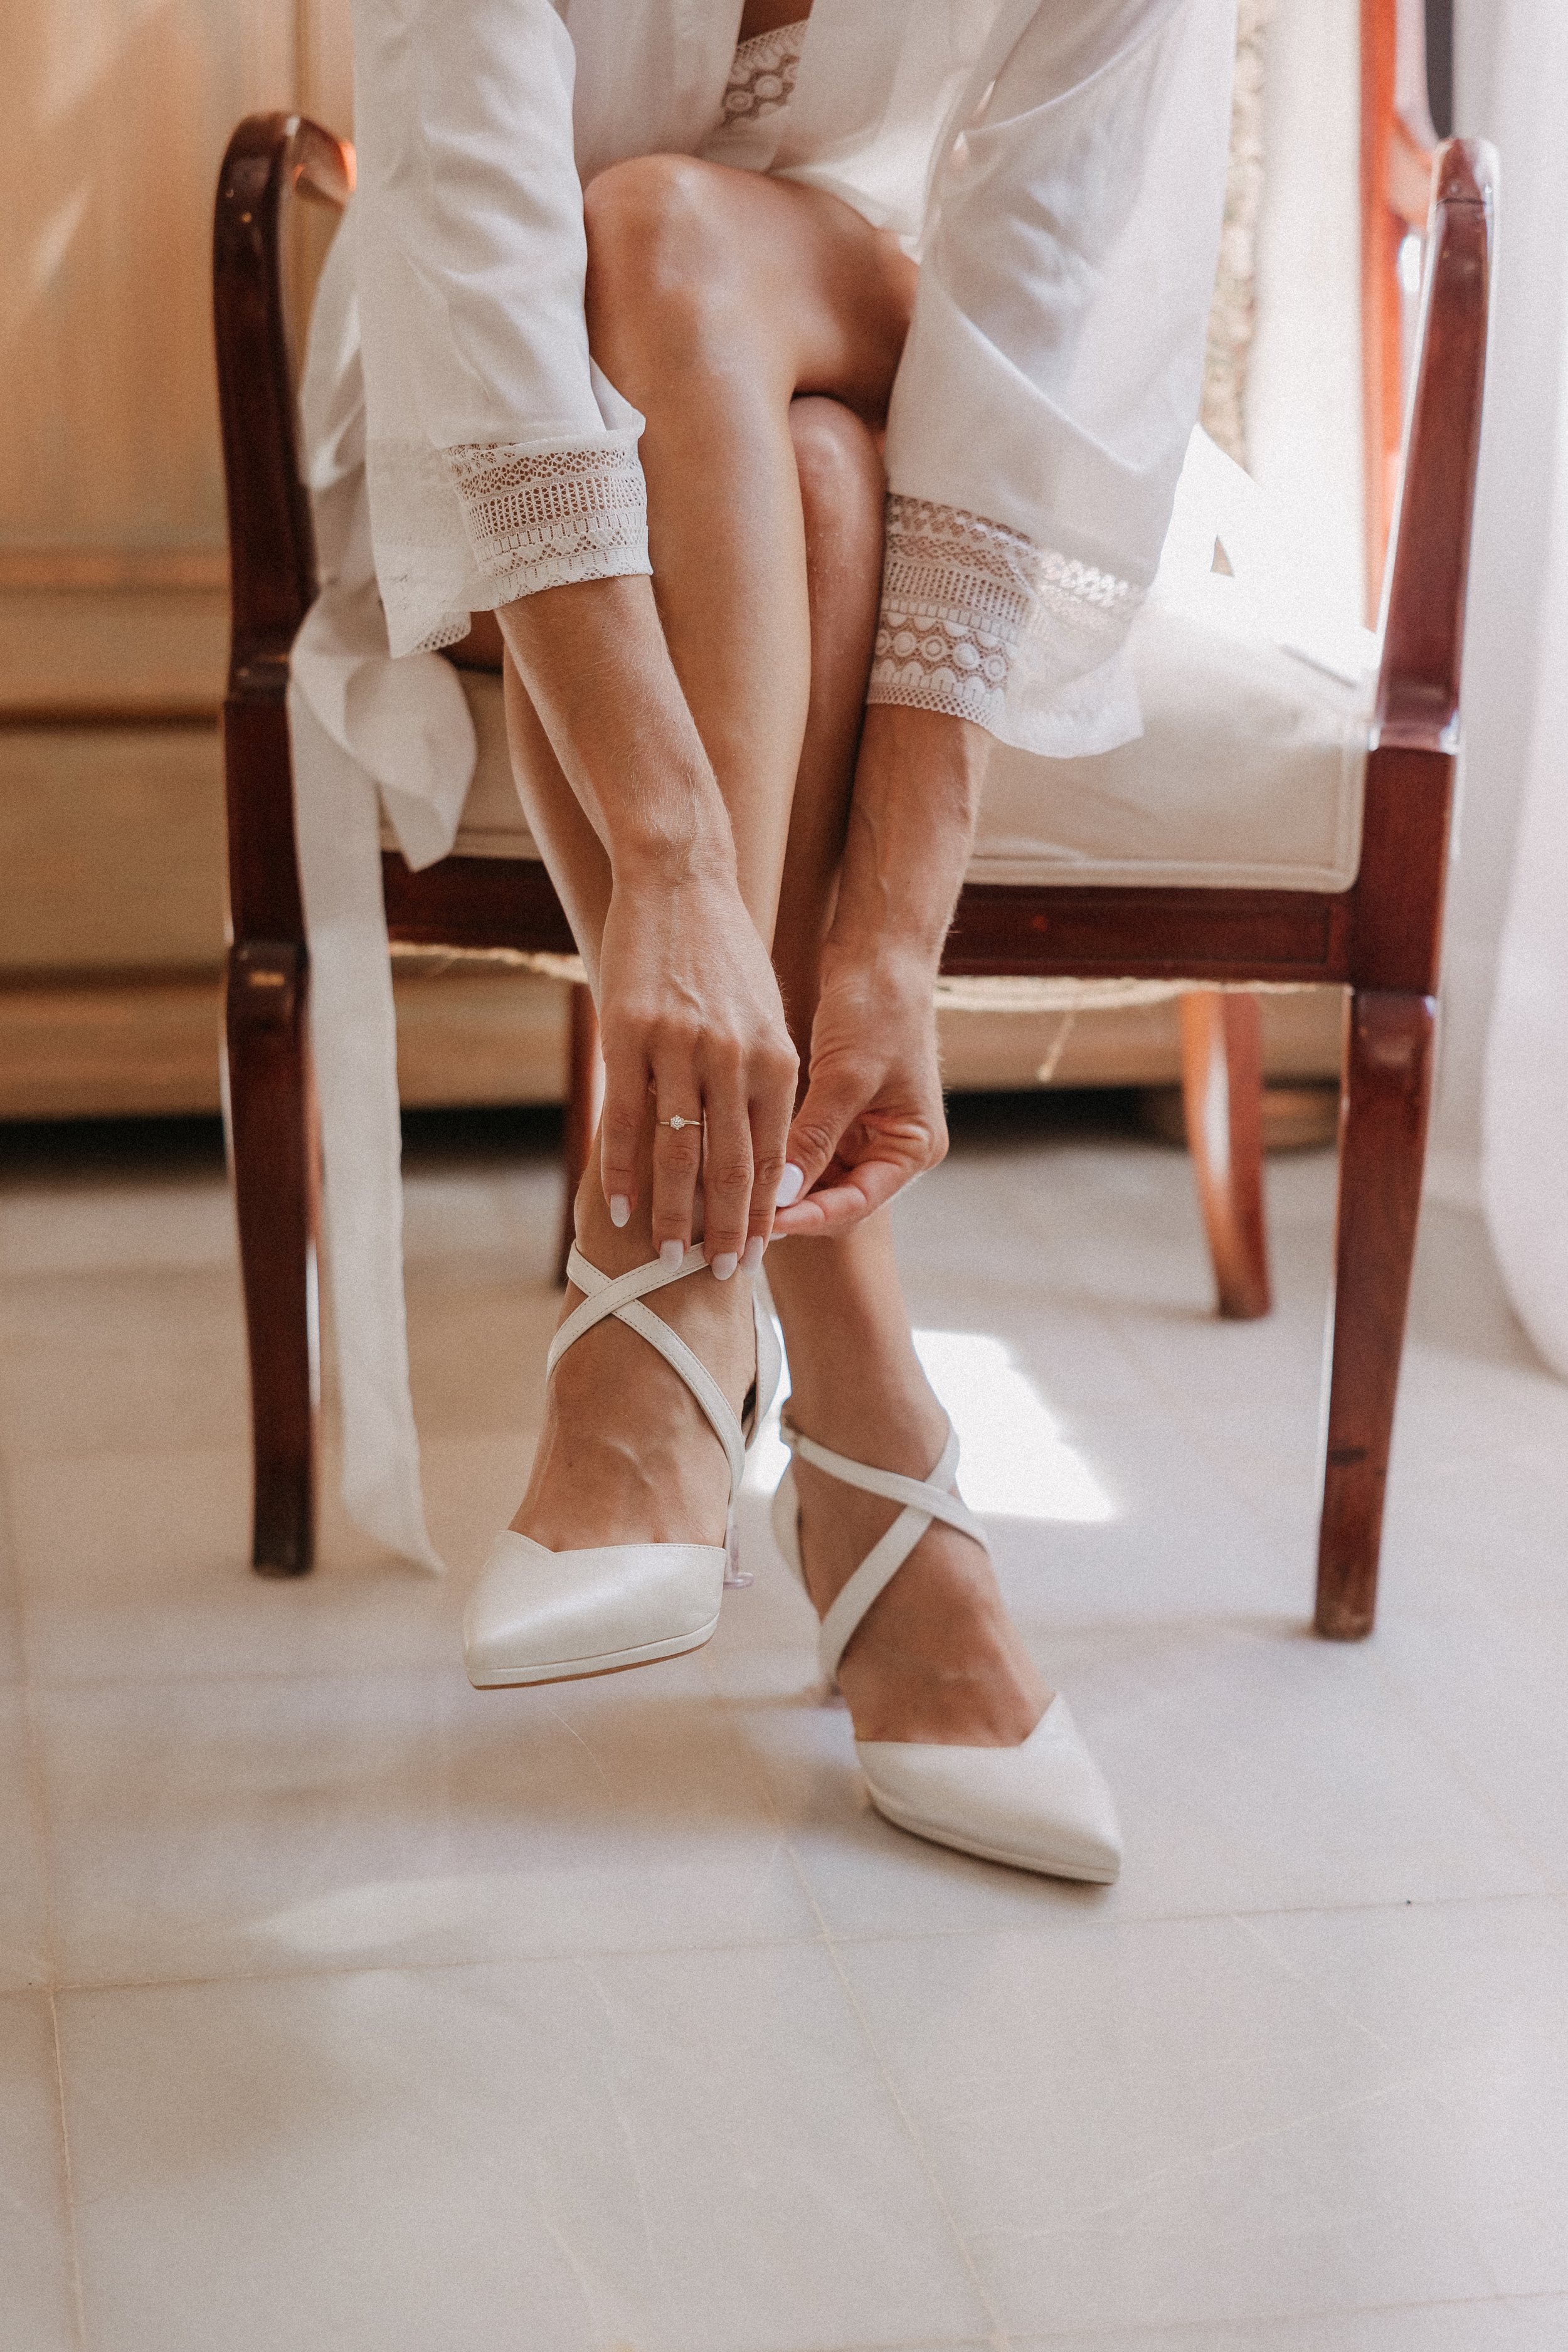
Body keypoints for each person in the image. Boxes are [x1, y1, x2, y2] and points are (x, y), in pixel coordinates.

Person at [300, 0, 1237, 1880]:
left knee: (673, 231)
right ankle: (874, 1460)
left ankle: (661, 1286)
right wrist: (670, 868)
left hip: (866, 317)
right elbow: (477, 254)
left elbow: (1033, 307)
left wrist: (891, 938)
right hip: (489, 361)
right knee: (697, 342)